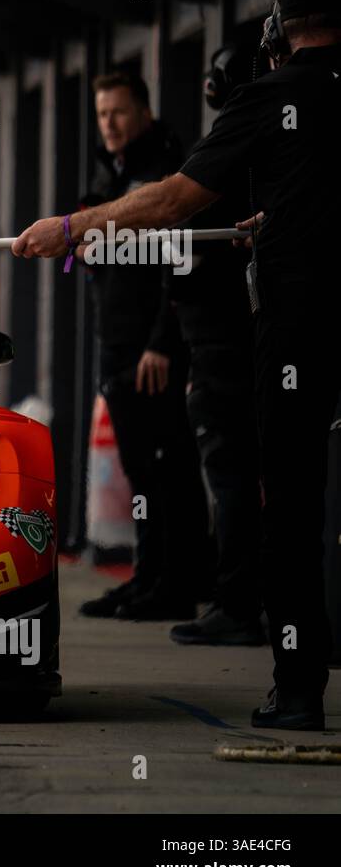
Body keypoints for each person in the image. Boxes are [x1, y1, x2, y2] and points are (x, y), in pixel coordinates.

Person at [13, 0, 341, 730]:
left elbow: (172, 200)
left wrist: (73, 227)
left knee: (289, 502)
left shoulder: (267, 96)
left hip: (297, 325)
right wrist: (285, 220)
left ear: (276, 35)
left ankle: (296, 692)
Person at [73, 73, 212, 623]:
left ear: (145, 112)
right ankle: (148, 575)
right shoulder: (111, 170)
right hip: (117, 337)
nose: (109, 123)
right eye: (102, 113)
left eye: (119, 112)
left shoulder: (165, 170)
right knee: (139, 468)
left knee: (167, 467)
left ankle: (177, 584)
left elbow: (180, 265)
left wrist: (163, 343)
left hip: (151, 348)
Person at [168, 46, 265, 647]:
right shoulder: (282, 156)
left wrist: (74, 230)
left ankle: (237, 605)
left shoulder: (227, 156)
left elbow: (174, 246)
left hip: (225, 350)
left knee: (230, 478)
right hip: (263, 343)